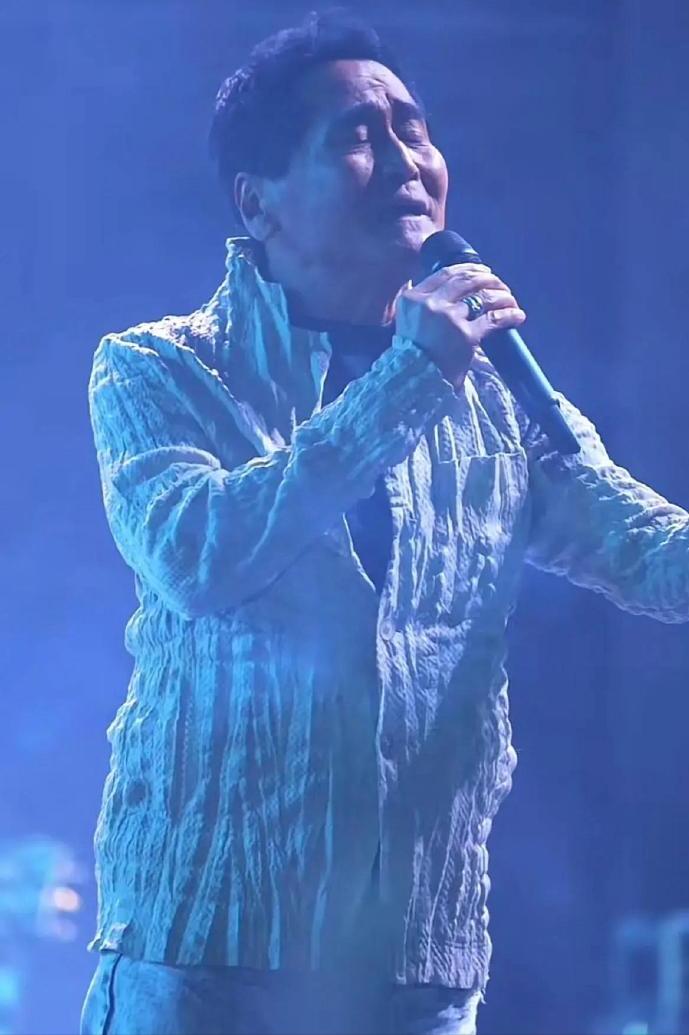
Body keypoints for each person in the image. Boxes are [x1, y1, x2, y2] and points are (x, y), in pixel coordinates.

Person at [79, 10, 689, 1035]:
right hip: (210, 956)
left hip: (412, 974)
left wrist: (432, 372)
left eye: (413, 128)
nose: (406, 159)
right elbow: (199, 554)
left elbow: (650, 553)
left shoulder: (495, 394)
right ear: (258, 200)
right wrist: (410, 376)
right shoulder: (162, 366)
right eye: (357, 136)